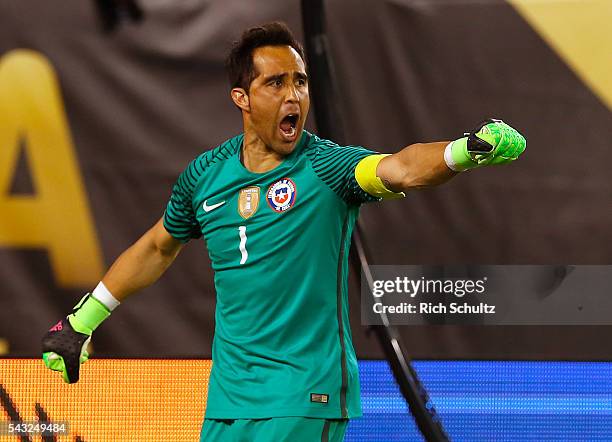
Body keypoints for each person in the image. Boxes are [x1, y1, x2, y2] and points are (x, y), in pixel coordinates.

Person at [42, 22, 525, 441]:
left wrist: (464, 151)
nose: (294, 95)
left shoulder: (327, 167)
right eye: (276, 83)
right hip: (229, 402)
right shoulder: (206, 176)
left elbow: (400, 169)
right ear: (242, 98)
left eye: (301, 82)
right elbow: (156, 246)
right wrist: (83, 321)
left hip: (303, 393)